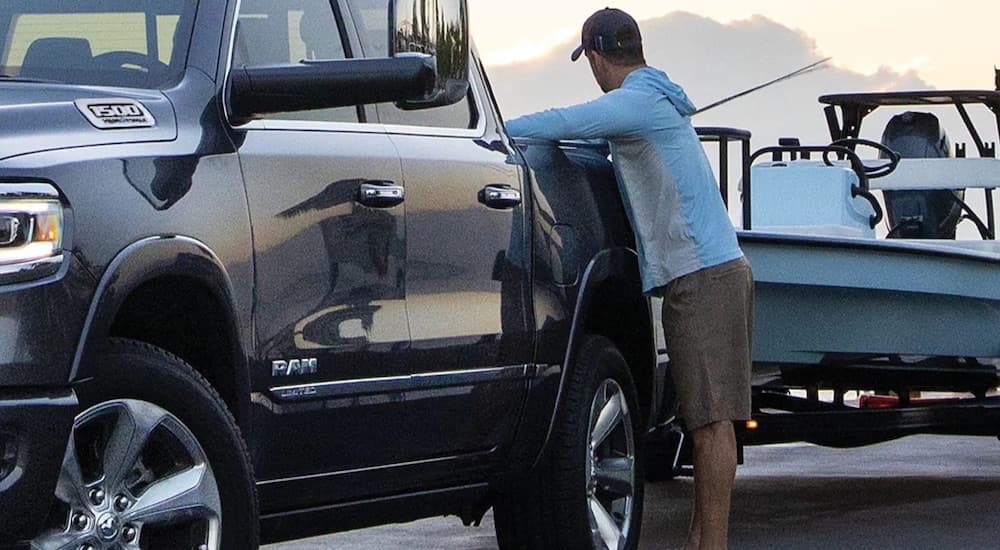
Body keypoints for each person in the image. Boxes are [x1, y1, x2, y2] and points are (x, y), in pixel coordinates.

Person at [506, 8, 754, 550]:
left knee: (711, 425)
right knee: (709, 424)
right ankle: (702, 540)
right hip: (713, 273)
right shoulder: (652, 99)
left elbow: (558, 123)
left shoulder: (633, 103)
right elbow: (600, 143)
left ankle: (711, 544)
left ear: (596, 57)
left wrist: (493, 136)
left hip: (703, 277)